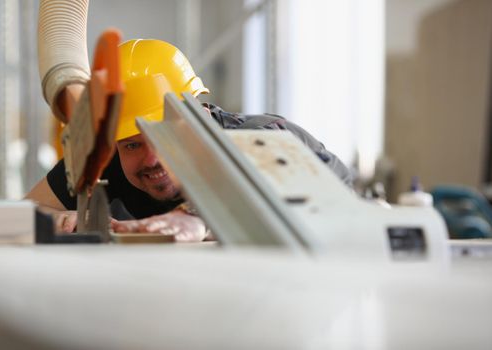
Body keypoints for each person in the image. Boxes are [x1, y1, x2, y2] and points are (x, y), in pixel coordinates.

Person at [26, 38, 352, 242]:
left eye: (163, 134)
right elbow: (26, 209)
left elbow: (298, 201)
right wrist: (59, 218)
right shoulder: (106, 158)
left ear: (201, 116)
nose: (151, 159)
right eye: (132, 144)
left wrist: (197, 218)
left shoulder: (257, 137)